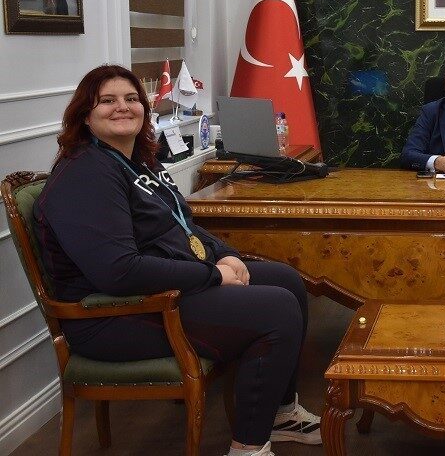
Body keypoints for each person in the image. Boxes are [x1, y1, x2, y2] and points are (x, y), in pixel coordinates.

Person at [33, 65, 318, 456]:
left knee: (286, 281)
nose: (122, 107)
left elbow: (183, 224)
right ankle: (248, 448)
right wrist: (212, 275)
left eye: (131, 98)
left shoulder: (139, 161)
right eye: (107, 101)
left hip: (160, 290)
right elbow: (118, 272)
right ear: (85, 114)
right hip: (115, 314)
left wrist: (226, 254)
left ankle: (280, 415)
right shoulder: (85, 174)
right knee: (276, 308)